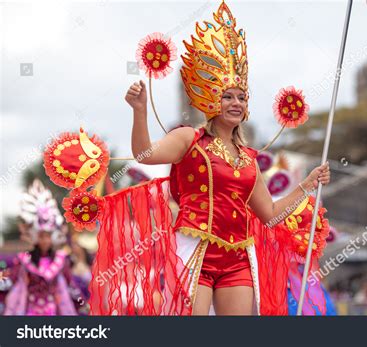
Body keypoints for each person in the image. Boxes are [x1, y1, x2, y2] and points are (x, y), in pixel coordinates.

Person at [89, 1, 330, 316]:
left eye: (241, 97)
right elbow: (144, 153)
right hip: (195, 248)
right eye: (228, 96)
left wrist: (307, 185)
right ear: (211, 100)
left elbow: (269, 214)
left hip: (238, 257)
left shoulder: (248, 159)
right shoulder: (189, 139)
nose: (236, 103)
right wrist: (140, 112)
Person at [3, 180, 77, 315]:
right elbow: (11, 281)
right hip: (30, 311)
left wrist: (82, 302)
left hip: (53, 310)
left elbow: (69, 286)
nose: (45, 240)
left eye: (48, 236)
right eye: (41, 236)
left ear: (53, 236)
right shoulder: (24, 259)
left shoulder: (61, 260)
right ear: (35, 236)